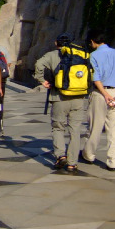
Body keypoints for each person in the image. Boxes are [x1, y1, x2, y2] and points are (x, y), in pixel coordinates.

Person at [34, 33, 87, 172]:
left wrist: (41, 80)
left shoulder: (52, 55)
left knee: (58, 127)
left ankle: (60, 155)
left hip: (59, 97)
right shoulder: (80, 54)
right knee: (75, 130)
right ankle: (72, 163)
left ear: (56, 43)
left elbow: (38, 64)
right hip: (78, 96)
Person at [81, 29, 115, 171]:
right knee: (114, 129)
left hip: (100, 94)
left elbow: (96, 77)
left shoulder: (93, 55)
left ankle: (89, 155)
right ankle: (113, 161)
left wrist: (104, 94)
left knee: (95, 127)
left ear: (92, 41)